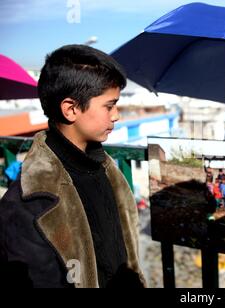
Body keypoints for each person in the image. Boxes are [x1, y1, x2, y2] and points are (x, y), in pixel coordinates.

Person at [0, 45, 146, 288]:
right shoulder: (27, 208)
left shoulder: (105, 169)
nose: (116, 115)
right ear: (71, 109)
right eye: (109, 106)